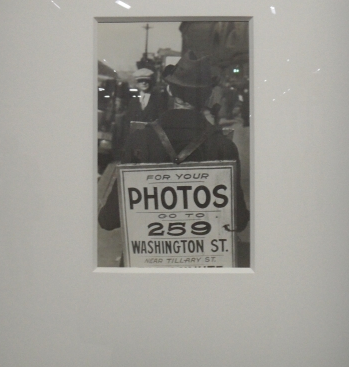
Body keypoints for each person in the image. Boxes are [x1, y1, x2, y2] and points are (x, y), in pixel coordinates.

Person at [99, 51, 249, 232]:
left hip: (150, 244)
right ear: (208, 96)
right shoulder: (224, 146)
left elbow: (108, 220)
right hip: (204, 244)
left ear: (170, 91)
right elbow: (238, 220)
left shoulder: (139, 140)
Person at [112, 68, 168, 157]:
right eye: (141, 81)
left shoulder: (159, 100)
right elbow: (128, 124)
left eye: (146, 81)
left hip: (152, 143)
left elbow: (163, 121)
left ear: (151, 82)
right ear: (137, 84)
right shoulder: (133, 101)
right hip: (135, 143)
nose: (144, 83)